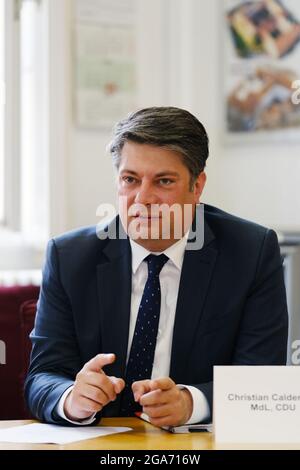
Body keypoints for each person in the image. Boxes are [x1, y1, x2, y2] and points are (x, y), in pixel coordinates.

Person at [25, 107, 288, 427]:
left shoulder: (251, 253)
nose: (143, 198)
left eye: (163, 181)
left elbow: (261, 382)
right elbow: (42, 376)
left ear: (197, 186)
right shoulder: (70, 257)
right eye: (130, 180)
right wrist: (72, 398)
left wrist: (192, 403)